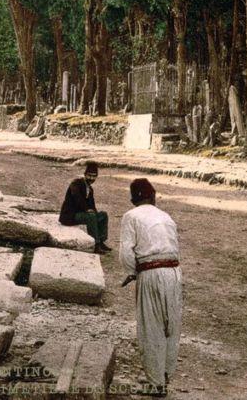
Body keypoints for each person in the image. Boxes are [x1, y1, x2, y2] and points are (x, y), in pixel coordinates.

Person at [119, 178, 183, 398]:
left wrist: (131, 272)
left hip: (151, 272)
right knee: (171, 324)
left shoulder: (131, 216)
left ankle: (156, 383)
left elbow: (127, 251)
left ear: (133, 199)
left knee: (151, 325)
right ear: (153, 197)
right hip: (174, 272)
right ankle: (164, 374)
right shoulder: (166, 216)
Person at [59, 161, 111, 254]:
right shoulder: (76, 183)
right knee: (90, 216)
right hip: (70, 215)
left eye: (94, 176)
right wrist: (87, 210)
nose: (91, 178)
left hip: (80, 214)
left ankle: (101, 241)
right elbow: (77, 198)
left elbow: (92, 205)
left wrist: (95, 213)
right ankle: (96, 245)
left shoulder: (90, 189)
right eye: (89, 175)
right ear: (85, 174)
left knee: (103, 215)